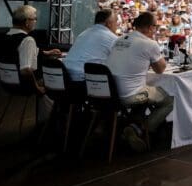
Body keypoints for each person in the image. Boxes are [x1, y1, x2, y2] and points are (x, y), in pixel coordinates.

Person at [106, 11, 174, 152]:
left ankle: (132, 125)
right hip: (130, 95)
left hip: (110, 94)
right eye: (154, 27)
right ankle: (139, 130)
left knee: (145, 93)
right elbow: (160, 69)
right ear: (150, 27)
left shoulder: (119, 39)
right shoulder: (149, 43)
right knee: (169, 101)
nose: (155, 30)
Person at [0, 5, 62, 92]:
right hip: (25, 86)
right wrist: (37, 88)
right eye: (34, 18)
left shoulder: (5, 38)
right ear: (26, 22)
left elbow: (18, 53)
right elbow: (25, 70)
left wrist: (47, 53)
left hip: (7, 83)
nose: (36, 21)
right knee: (60, 83)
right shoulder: (27, 40)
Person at [63, 8, 118, 87]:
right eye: (116, 21)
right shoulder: (112, 38)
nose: (117, 25)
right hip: (84, 82)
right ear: (109, 23)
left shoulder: (83, 33)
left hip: (65, 78)